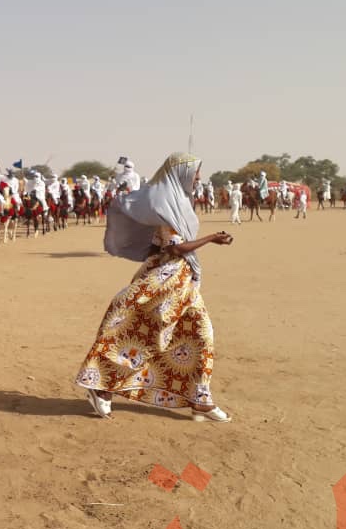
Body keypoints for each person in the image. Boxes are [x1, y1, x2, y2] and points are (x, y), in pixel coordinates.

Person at [75, 151, 233, 422]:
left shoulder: (180, 201)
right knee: (146, 334)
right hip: (168, 280)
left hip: (184, 281)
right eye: (195, 172)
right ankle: (101, 386)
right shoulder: (164, 204)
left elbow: (157, 244)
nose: (198, 177)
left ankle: (201, 399)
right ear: (181, 173)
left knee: (200, 334)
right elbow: (175, 247)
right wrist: (211, 238)